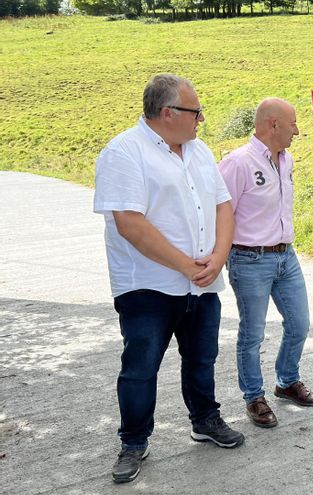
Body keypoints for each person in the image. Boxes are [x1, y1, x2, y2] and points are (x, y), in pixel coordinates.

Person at [94, 74, 244, 484]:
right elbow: (129, 223)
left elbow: (223, 206)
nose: (201, 119)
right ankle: (133, 441)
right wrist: (185, 265)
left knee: (202, 358)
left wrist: (219, 257)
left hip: (202, 281)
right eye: (196, 112)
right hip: (147, 285)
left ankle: (205, 420)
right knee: (140, 367)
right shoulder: (124, 152)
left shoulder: (200, 151)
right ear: (168, 113)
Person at [219, 97, 313, 429]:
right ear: (273, 124)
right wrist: (220, 256)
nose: (297, 131)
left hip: (285, 256)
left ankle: (287, 381)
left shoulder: (287, 160)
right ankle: (254, 396)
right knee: (252, 334)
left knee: (299, 323)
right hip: (250, 259)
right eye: (292, 124)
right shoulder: (237, 163)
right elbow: (221, 214)